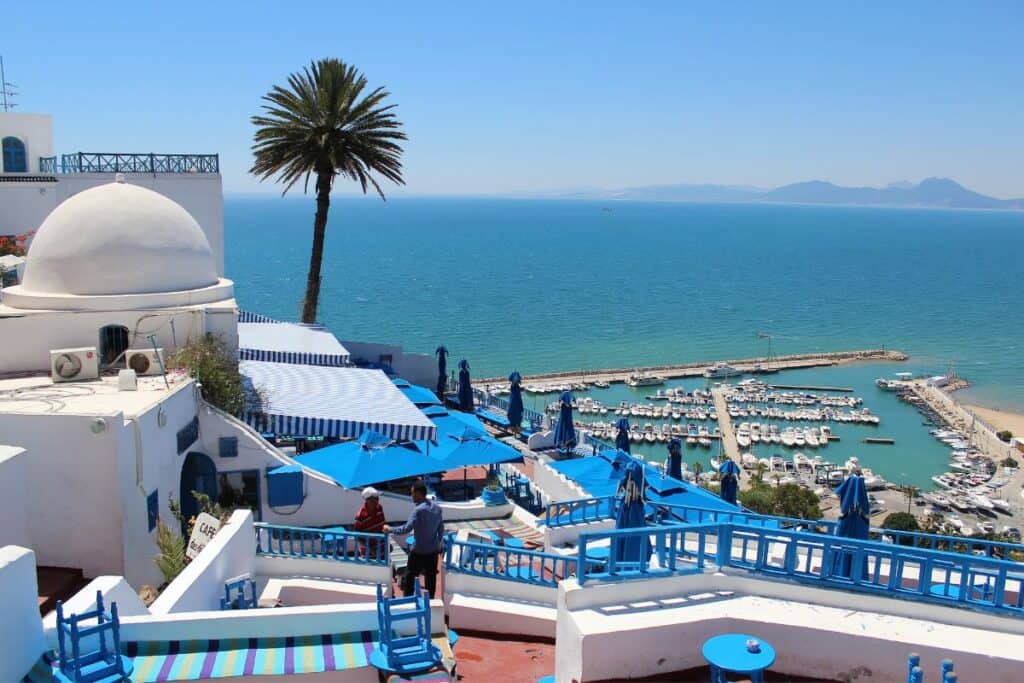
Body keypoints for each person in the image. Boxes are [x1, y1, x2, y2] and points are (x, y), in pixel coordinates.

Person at [382, 481, 444, 598]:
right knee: (431, 579)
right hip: (432, 551)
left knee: (410, 577)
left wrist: (389, 529)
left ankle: (408, 601)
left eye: (412, 493)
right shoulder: (437, 508)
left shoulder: (418, 510)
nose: (411, 496)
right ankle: (430, 602)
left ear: (419, 493)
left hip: (419, 551)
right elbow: (441, 528)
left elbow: (406, 529)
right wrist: (437, 544)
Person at [353, 487, 386, 559]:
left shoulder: (380, 508)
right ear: (368, 500)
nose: (378, 500)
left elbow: (383, 525)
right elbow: (357, 536)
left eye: (378, 498)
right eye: (375, 498)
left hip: (381, 546)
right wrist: (370, 549)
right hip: (368, 551)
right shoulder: (360, 516)